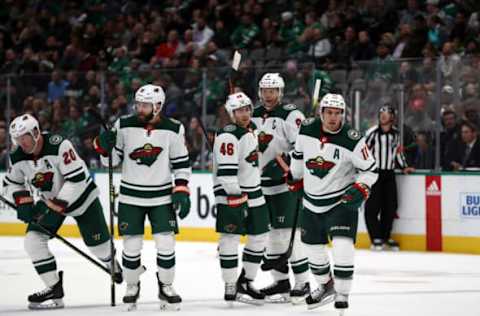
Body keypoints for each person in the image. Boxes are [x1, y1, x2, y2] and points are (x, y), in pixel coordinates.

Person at [3, 114, 122, 310]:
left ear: (35, 132)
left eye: (24, 137)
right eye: (16, 139)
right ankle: (54, 290)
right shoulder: (17, 156)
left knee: (99, 247)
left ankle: (112, 263)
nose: (20, 143)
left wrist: (54, 206)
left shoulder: (59, 146)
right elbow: (12, 183)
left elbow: (75, 180)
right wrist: (23, 201)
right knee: (33, 241)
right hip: (50, 201)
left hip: (82, 197)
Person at [94, 84, 191, 310]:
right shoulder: (124, 125)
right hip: (130, 197)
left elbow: (181, 163)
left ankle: (166, 286)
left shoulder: (174, 129)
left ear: (158, 106)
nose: (139, 108)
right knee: (131, 246)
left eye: (145, 105)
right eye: (138, 104)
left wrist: (182, 189)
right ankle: (132, 285)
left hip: (161, 197)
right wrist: (103, 148)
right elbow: (112, 162)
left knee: (166, 244)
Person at [289, 93, 378, 312]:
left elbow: (371, 170)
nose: (333, 117)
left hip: (341, 202)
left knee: (342, 246)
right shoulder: (306, 129)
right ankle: (326, 285)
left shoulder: (353, 138)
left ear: (343, 114)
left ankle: (342, 293)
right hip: (311, 202)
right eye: (329, 112)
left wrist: (361, 187)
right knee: (312, 249)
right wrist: (295, 176)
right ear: (321, 113)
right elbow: (298, 156)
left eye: (337, 113)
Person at [250, 73, 309, 304]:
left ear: (280, 92)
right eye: (265, 90)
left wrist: (288, 163)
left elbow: (303, 147)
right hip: (259, 185)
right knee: (270, 235)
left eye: (272, 90)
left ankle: (303, 282)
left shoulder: (291, 115)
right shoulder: (251, 114)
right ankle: (281, 282)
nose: (268, 94)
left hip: (286, 185)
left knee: (287, 234)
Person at [213, 92, 269, 305]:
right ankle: (229, 285)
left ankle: (245, 281)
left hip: (255, 192)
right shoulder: (228, 135)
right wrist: (237, 197)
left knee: (260, 236)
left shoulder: (251, 130)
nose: (244, 114)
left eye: (247, 109)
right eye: (239, 110)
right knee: (230, 238)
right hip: (233, 194)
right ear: (231, 113)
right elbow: (226, 174)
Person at [364, 105, 415, 251]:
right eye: (381, 113)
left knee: (391, 206)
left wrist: (405, 166)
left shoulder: (396, 134)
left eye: (387, 114)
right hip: (375, 173)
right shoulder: (372, 133)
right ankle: (376, 238)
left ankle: (385, 237)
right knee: (373, 207)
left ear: (393, 117)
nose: (383, 116)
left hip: (389, 174)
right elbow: (364, 152)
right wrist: (364, 169)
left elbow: (398, 153)